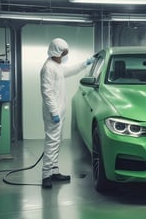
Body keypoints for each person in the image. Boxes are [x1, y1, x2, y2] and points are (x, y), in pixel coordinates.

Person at [40, 38, 94, 189]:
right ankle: (46, 176)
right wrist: (54, 112)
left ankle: (54, 171)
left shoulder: (57, 66)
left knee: (58, 142)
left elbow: (69, 70)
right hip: (53, 113)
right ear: (56, 52)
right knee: (52, 143)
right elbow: (47, 93)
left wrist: (85, 63)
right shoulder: (48, 68)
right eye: (64, 53)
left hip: (58, 111)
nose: (65, 56)